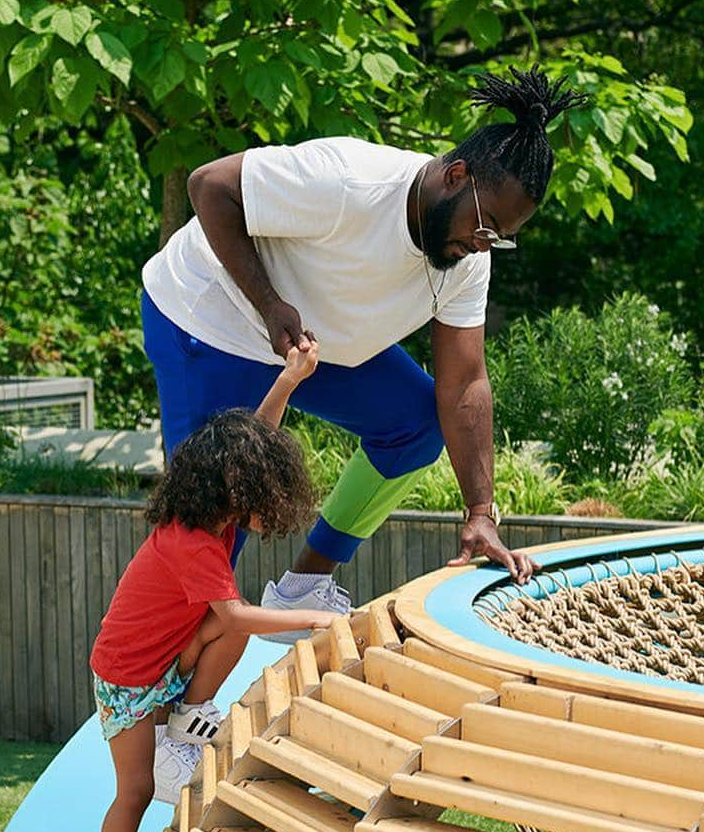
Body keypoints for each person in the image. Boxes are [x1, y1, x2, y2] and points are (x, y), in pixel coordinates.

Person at [141, 66, 586, 627]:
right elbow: (209, 185)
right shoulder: (349, 181)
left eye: (499, 236)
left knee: (414, 425)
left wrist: (480, 512)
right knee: (209, 522)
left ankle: (305, 584)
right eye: (485, 224)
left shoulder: (468, 261)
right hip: (210, 321)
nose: (483, 244)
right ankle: (158, 693)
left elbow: (465, 382)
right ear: (455, 175)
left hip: (308, 340)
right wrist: (270, 302)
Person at [70, 345, 339, 832]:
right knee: (135, 791)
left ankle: (191, 711)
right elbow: (237, 614)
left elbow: (258, 435)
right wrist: (314, 616)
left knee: (234, 630)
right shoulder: (191, 540)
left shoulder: (215, 513)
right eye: (260, 486)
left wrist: (290, 380)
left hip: (168, 661)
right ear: (236, 487)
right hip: (128, 679)